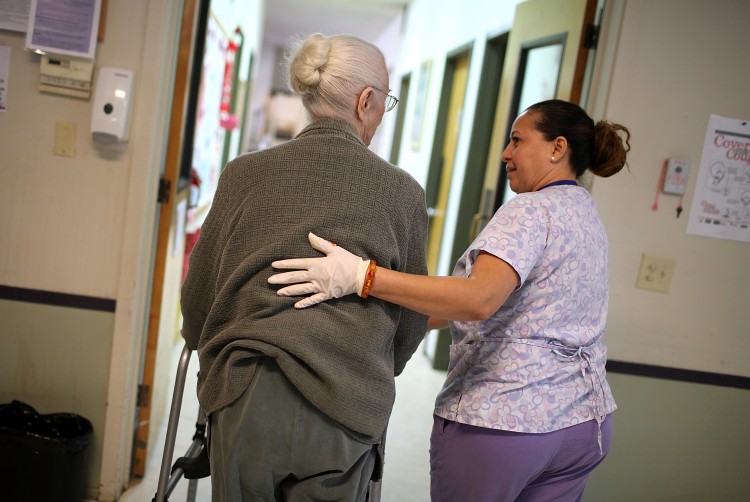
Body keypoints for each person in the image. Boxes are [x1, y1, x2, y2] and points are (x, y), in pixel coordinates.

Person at [268, 99, 631, 502]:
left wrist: (363, 276)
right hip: (583, 425)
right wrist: (383, 324)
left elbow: (478, 299)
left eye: (516, 140)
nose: (505, 154)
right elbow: (514, 310)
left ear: (557, 148)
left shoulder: (530, 211)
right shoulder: (583, 211)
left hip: (507, 420)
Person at [181, 32, 429, 502]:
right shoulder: (402, 194)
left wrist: (201, 345)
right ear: (366, 101)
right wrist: (374, 368)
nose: (381, 114)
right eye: (385, 103)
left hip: (244, 388)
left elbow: (198, 295)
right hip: (345, 400)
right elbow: (411, 319)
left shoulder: (243, 174)